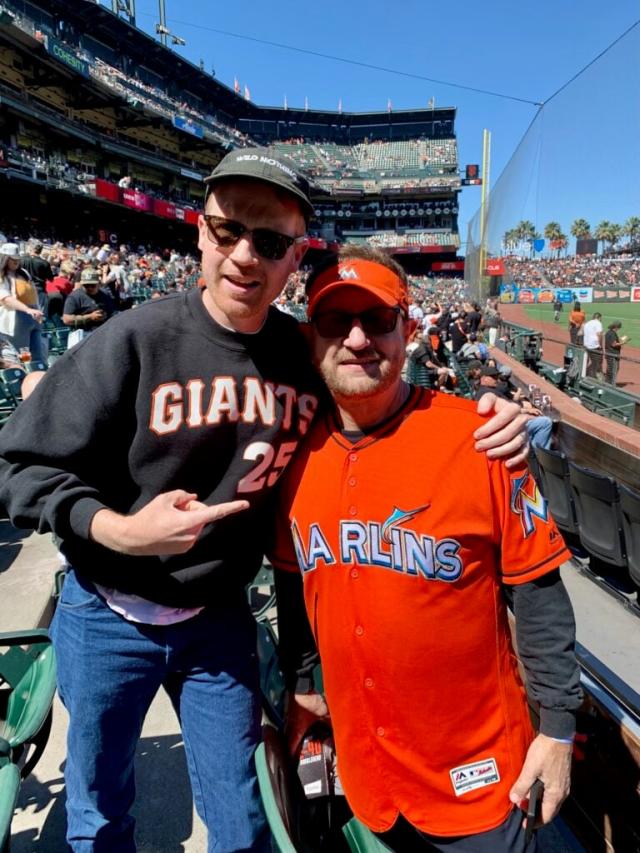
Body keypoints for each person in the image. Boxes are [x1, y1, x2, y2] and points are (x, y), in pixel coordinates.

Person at [0, 151, 529, 852]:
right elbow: (20, 464)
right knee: (99, 817)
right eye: (227, 232)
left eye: (270, 242)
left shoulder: (303, 354)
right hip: (106, 612)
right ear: (199, 232)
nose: (245, 256)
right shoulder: (133, 338)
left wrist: (506, 416)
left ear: (294, 258)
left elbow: (391, 398)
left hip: (217, 620)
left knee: (243, 819)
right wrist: (119, 530)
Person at [271, 246, 581, 852]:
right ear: (312, 337)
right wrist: (303, 678)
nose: (358, 338)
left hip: (481, 781)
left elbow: (539, 592)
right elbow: (291, 581)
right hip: (369, 776)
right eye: (337, 320)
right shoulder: (293, 457)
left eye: (378, 320)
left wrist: (560, 731)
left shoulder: (482, 439)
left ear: (408, 331)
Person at [0, 243, 47, 364]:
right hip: (16, 321)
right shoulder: (2, 276)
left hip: (33, 319)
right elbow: (6, 299)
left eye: (18, 259)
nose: (16, 261)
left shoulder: (24, 273)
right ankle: (23, 377)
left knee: (38, 355)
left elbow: (33, 294)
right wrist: (27, 310)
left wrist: (36, 310)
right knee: (23, 356)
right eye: (13, 259)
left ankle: (37, 374)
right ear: (5, 259)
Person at [582, 311, 603, 379]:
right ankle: (594, 377)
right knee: (597, 362)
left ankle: (586, 373)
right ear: (599, 318)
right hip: (594, 345)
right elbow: (599, 334)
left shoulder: (587, 323)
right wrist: (600, 344)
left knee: (588, 360)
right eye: (601, 318)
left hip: (586, 345)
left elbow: (583, 332)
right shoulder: (598, 323)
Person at [604, 320, 624, 385]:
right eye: (619, 327)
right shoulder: (612, 333)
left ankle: (607, 383)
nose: (619, 329)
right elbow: (613, 344)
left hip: (609, 353)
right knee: (613, 369)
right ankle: (611, 384)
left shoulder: (608, 332)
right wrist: (623, 343)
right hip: (613, 354)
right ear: (616, 327)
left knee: (610, 369)